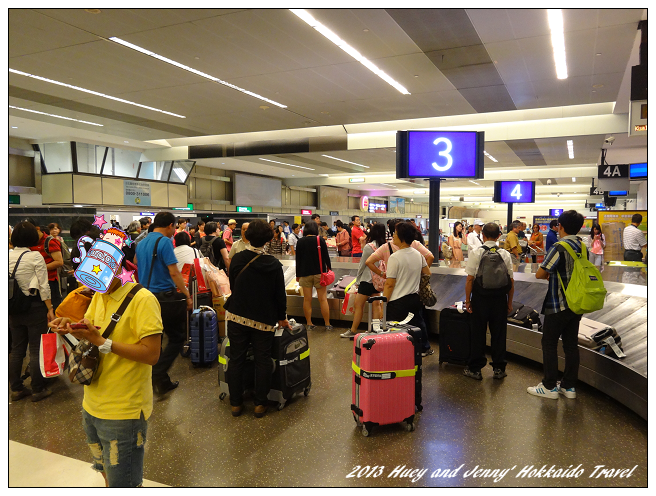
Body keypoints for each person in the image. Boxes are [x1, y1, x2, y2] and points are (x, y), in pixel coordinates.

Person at [50, 267, 162, 487]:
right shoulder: (100, 294)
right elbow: (93, 331)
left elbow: (151, 354)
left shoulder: (143, 300)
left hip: (124, 410)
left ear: (118, 266)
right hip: (91, 404)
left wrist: (103, 343)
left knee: (124, 482)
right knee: (106, 472)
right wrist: (71, 326)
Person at [223, 220, 288, 418]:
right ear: (268, 239)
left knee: (236, 358)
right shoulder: (273, 264)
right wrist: (282, 317)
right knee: (263, 360)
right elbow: (280, 295)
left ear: (248, 236)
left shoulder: (238, 259)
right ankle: (260, 404)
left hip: (237, 315)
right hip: (263, 319)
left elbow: (233, 285)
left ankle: (236, 403)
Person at [528, 210, 586, 400]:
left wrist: (550, 274)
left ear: (560, 226)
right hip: (577, 303)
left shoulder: (559, 246)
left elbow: (540, 273)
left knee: (549, 343)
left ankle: (549, 386)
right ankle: (568, 386)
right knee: (571, 345)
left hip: (558, 303)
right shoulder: (582, 246)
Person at [135, 211, 192, 395]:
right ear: (170, 225)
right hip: (164, 298)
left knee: (155, 338)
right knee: (176, 337)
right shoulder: (165, 241)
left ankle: (161, 381)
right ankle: (158, 373)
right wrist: (187, 294)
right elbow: (174, 272)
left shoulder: (141, 243)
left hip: (145, 297)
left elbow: (136, 262)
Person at [9, 221, 55, 402]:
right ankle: (37, 389)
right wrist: (50, 308)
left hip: (12, 308)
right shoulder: (35, 256)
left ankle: (16, 389)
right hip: (34, 307)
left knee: (17, 349)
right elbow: (43, 285)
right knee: (36, 348)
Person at [463, 223, 514, 380]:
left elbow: (470, 279)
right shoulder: (504, 254)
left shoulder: (477, 253)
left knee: (477, 334)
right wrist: (509, 303)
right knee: (499, 334)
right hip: (499, 300)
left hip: (480, 300)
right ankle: (499, 368)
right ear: (498, 236)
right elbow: (511, 281)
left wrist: (468, 301)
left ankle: (475, 369)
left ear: (483, 235)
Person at [381, 222, 433, 356]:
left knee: (396, 332)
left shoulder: (395, 257)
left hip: (397, 303)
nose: (393, 236)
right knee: (415, 327)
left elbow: (389, 284)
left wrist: (383, 303)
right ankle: (417, 353)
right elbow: (427, 272)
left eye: (395, 233)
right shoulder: (417, 254)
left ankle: (398, 357)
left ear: (402, 237)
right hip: (414, 299)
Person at [340, 224, 386, 339]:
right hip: (378, 281)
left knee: (358, 305)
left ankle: (353, 330)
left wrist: (358, 279)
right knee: (376, 304)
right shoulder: (384, 246)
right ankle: (376, 330)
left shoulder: (369, 247)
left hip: (366, 280)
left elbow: (362, 264)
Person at [295, 221, 334, 331]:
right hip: (319, 273)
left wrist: (298, 275)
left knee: (307, 300)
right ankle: (327, 324)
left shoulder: (300, 241)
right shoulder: (319, 239)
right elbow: (326, 257)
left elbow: (298, 259)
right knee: (323, 299)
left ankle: (309, 323)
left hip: (305, 274)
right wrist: (329, 269)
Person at [24, 217, 64, 310]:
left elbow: (59, 262)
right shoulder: (28, 243)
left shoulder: (50, 241)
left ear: (37, 228)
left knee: (52, 310)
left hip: (49, 282)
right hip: (32, 283)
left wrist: (39, 268)